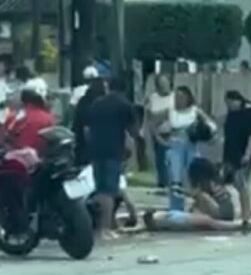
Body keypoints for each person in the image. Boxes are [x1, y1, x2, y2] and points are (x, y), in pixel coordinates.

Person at [87, 77, 139, 240]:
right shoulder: (125, 105)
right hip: (113, 151)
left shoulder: (96, 104)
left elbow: (87, 130)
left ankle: (95, 225)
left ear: (109, 87)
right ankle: (105, 228)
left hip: (96, 150)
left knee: (99, 188)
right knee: (109, 190)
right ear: (125, 88)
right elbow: (134, 131)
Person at [143, 158, 240, 232]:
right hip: (213, 216)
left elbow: (214, 212)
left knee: (198, 219)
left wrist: (196, 196)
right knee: (175, 215)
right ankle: (156, 220)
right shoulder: (211, 186)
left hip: (216, 218)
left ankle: (156, 222)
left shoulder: (208, 189)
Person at [163, 86, 216, 212]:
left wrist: (204, 132)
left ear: (188, 98)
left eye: (181, 97)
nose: (178, 100)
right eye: (176, 97)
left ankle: (198, 206)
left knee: (194, 177)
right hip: (175, 146)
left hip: (191, 146)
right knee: (175, 178)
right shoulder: (171, 111)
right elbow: (157, 126)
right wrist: (163, 139)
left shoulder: (195, 111)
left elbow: (212, 125)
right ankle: (176, 208)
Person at [222, 90, 251, 233]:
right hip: (230, 153)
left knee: (242, 184)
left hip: (243, 154)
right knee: (235, 184)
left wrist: (248, 154)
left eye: (230, 103)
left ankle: (247, 217)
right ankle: (241, 214)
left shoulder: (250, 114)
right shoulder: (231, 115)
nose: (229, 106)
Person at [0, 87, 54, 153]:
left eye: (13, 95)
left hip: (17, 156)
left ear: (21, 100)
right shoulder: (48, 117)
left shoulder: (17, 116)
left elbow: (3, 138)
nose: (10, 99)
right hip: (41, 157)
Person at [145, 75, 174, 188]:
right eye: (161, 84)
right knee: (161, 161)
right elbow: (150, 117)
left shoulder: (175, 97)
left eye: (166, 83)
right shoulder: (153, 98)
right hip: (158, 134)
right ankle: (163, 184)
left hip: (173, 133)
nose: (164, 86)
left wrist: (160, 116)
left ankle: (174, 183)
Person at [72, 78, 107, 165]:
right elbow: (86, 129)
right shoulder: (97, 103)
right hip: (91, 148)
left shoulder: (83, 101)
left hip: (81, 145)